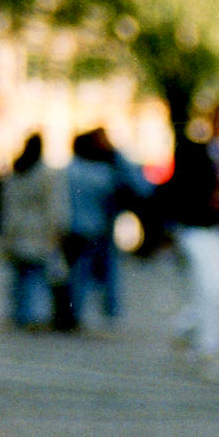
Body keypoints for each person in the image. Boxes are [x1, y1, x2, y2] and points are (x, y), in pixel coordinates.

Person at [166, 104, 219, 374]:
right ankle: (211, 349)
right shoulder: (195, 153)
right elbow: (177, 187)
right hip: (196, 229)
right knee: (209, 288)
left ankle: (187, 327)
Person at [63, 127, 149, 328]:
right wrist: (118, 155)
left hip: (76, 228)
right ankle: (106, 312)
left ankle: (77, 313)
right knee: (103, 272)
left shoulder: (71, 168)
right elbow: (140, 187)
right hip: (97, 228)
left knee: (79, 273)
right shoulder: (103, 172)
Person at [0, 132, 66, 330]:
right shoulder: (45, 173)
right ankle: (34, 315)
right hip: (38, 231)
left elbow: (8, 202)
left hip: (17, 229)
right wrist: (57, 229)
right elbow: (54, 206)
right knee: (36, 276)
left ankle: (18, 313)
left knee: (19, 276)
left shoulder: (17, 170)